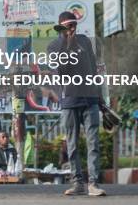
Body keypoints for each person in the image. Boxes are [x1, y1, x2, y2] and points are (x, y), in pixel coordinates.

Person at [47, 11, 106, 196]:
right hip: (70, 100)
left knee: (93, 142)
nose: (72, 29)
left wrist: (100, 96)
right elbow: (62, 72)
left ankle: (93, 183)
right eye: (68, 26)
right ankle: (78, 183)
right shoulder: (54, 47)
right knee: (72, 145)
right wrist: (69, 46)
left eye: (73, 25)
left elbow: (93, 68)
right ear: (61, 28)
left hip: (90, 99)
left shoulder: (86, 41)